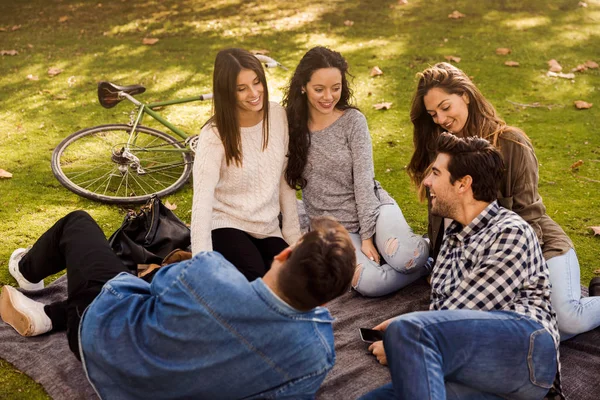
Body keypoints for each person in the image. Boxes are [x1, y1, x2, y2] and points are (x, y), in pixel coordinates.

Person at [1, 212, 356, 399]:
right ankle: (49, 314)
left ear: (283, 253)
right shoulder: (318, 353)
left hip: (98, 338)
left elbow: (154, 287)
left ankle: (27, 271)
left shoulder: (210, 272)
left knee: (78, 224)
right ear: (326, 300)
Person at [407, 61, 600, 340]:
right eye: (432, 113)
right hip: (478, 256)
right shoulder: (443, 150)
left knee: (564, 321)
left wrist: (504, 274)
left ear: (466, 96)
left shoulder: (512, 144)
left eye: (445, 107)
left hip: (537, 247)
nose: (440, 119)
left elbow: (529, 218)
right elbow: (441, 216)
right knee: (495, 326)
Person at [362, 133, 560, 400]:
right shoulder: (452, 240)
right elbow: (444, 315)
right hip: (473, 368)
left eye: (435, 173)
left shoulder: (510, 231)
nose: (427, 182)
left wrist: (406, 339)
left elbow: (466, 309)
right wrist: (409, 334)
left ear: (463, 184)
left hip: (526, 352)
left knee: (408, 332)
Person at [283, 46, 429, 297]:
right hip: (333, 229)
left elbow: (364, 182)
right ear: (303, 86)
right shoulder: (289, 126)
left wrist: (368, 237)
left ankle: (422, 251)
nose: (329, 97)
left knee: (407, 258)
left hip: (373, 209)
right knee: (370, 284)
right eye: (319, 89)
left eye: (336, 88)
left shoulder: (352, 121)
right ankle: (428, 267)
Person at [191, 48, 301, 281]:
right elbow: (202, 200)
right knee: (254, 278)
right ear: (226, 92)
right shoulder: (214, 134)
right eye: (242, 89)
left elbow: (285, 181)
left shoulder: (278, 116)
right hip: (226, 222)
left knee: (291, 280)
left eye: (257, 82)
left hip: (267, 226)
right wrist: (202, 260)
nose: (254, 93)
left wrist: (293, 237)